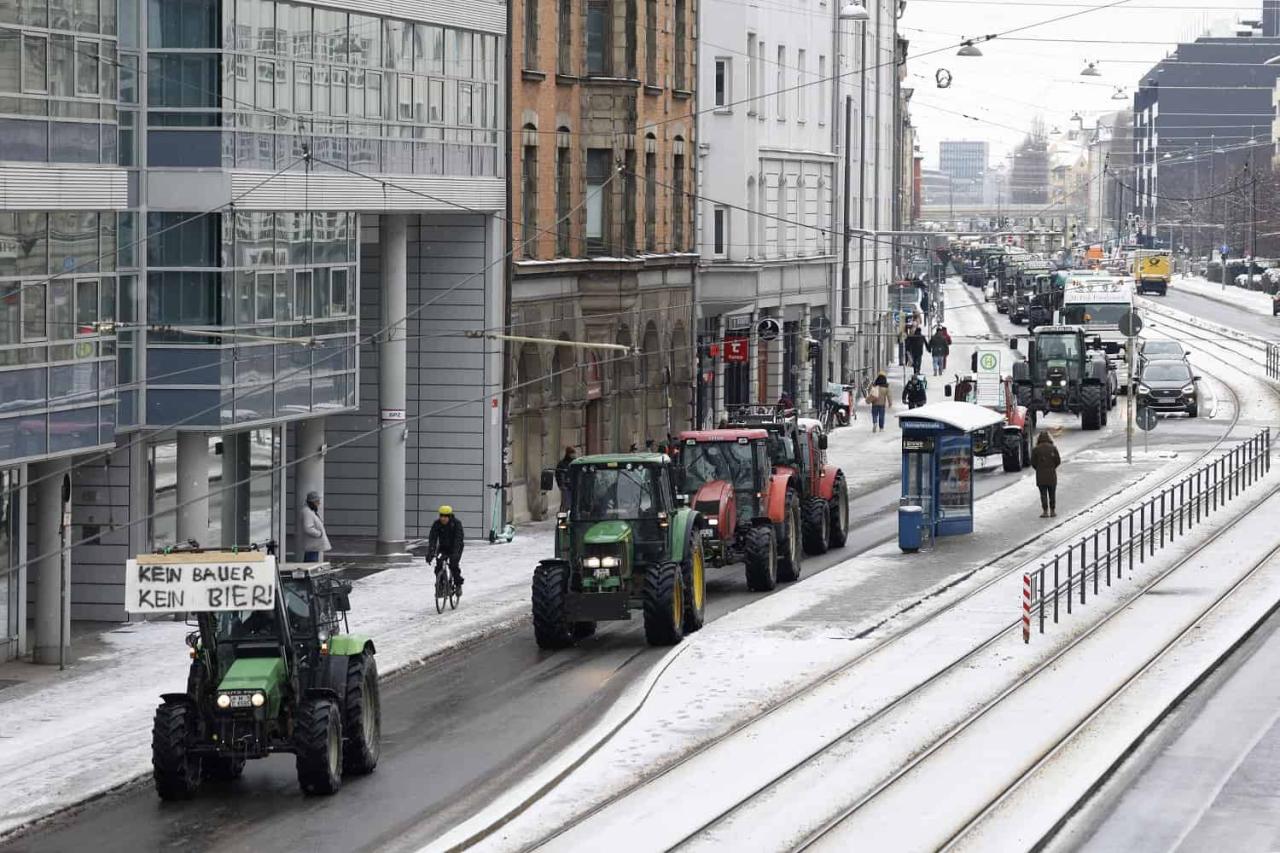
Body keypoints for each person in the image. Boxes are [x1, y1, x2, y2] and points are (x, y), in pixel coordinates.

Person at [426, 505, 465, 588]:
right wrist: (431, 552)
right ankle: (440, 585)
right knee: (439, 564)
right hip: (443, 548)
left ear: (450, 516)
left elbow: (458, 539)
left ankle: (458, 584)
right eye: (441, 516)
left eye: (445, 516)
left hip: (456, 548)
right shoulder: (437, 524)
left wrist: (455, 553)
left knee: (453, 565)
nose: (443, 518)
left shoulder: (456, 524)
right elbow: (432, 538)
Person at [1031, 432, 1062, 518]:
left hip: (1040, 476)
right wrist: (1052, 467)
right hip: (1052, 475)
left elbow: (1033, 462)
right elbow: (1058, 461)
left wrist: (1039, 468)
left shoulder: (1036, 449)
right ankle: (1052, 511)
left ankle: (1045, 511)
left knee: (1043, 494)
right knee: (1052, 493)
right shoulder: (1053, 448)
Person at [300, 491, 331, 562]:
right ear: (312, 502)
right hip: (312, 545)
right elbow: (308, 528)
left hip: (313, 545)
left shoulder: (310, 511)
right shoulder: (307, 512)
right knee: (311, 564)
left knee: (310, 563)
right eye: (317, 502)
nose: (319, 503)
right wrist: (319, 534)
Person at [555, 446, 576, 511]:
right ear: (568, 454)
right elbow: (558, 475)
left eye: (574, 453)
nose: (573, 455)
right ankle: (563, 518)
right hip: (566, 487)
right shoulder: (562, 464)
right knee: (566, 504)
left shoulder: (575, 463)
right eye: (571, 453)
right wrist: (561, 485)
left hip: (574, 487)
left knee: (574, 504)